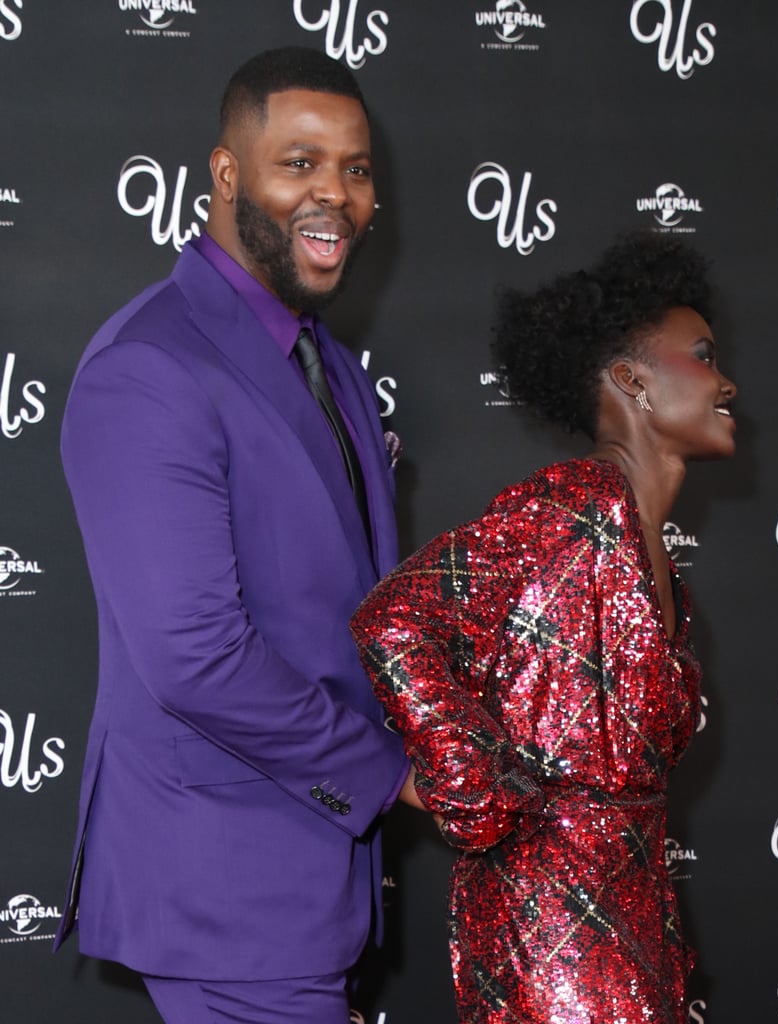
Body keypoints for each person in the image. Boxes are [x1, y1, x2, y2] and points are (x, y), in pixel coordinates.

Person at [54, 46, 414, 1024]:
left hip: (312, 882)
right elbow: (194, 657)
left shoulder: (327, 360)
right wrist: (397, 776)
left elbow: (352, 606)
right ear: (226, 175)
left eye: (355, 167)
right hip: (224, 887)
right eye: (298, 162)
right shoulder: (150, 366)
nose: (333, 194)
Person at [351, 232, 737, 1024]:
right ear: (630, 378)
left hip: (630, 915)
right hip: (554, 918)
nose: (727, 381)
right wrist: (478, 789)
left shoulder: (640, 542)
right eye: (700, 354)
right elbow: (394, 616)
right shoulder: (574, 510)